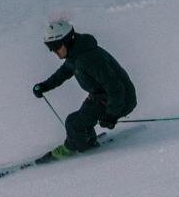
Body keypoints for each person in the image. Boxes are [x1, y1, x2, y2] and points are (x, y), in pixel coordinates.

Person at [33, 18, 137, 158]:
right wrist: (44, 86)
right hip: (103, 96)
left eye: (56, 46)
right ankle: (87, 140)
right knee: (82, 117)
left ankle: (71, 148)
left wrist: (111, 115)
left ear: (67, 41)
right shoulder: (75, 54)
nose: (54, 51)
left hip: (121, 99)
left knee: (73, 123)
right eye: (50, 47)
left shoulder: (88, 59)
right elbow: (63, 73)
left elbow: (115, 87)